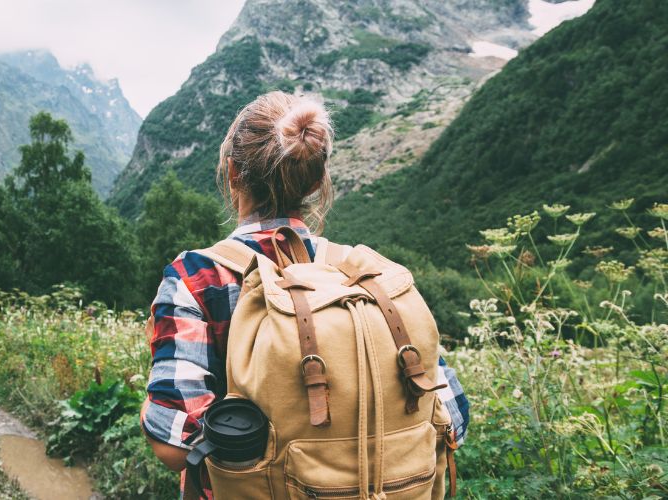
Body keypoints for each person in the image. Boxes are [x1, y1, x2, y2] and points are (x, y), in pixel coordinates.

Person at [140, 91, 469, 497]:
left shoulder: (198, 277)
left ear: (232, 174)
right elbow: (452, 417)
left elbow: (174, 445)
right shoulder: (366, 275)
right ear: (316, 182)